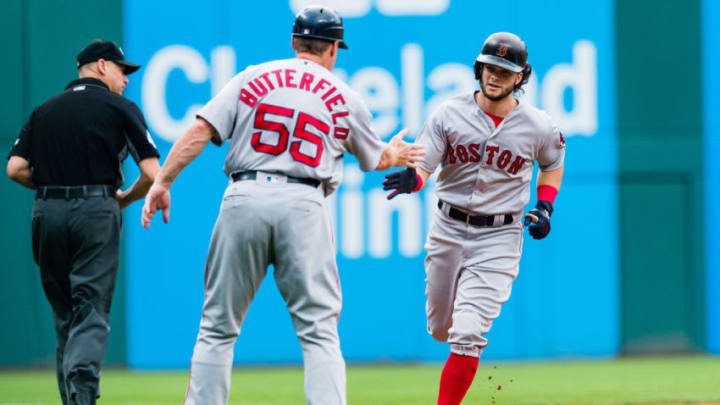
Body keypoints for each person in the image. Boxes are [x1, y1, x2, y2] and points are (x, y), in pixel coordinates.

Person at [140, 5, 424, 405]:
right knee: (319, 331)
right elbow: (375, 160)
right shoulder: (344, 96)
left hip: (244, 195)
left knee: (217, 328)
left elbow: (201, 130)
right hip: (305, 201)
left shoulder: (253, 76)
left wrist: (162, 181)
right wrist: (394, 155)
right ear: (333, 50)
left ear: (294, 43)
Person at [383, 32, 566, 405]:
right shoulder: (448, 114)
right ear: (478, 69)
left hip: (499, 237)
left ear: (521, 77)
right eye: (490, 67)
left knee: (467, 333)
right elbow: (425, 166)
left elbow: (553, 163)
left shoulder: (538, 125)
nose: (495, 76)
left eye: (505, 70)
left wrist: (545, 206)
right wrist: (413, 178)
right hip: (447, 229)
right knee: (440, 328)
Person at [6, 39, 160, 405]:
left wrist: (50, 187)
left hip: (47, 211)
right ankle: (84, 386)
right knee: (91, 308)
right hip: (95, 210)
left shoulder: (44, 111)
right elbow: (152, 173)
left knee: (65, 316)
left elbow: (15, 168)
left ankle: (73, 398)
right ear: (103, 65)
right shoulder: (120, 107)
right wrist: (124, 199)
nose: (126, 80)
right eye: (124, 71)